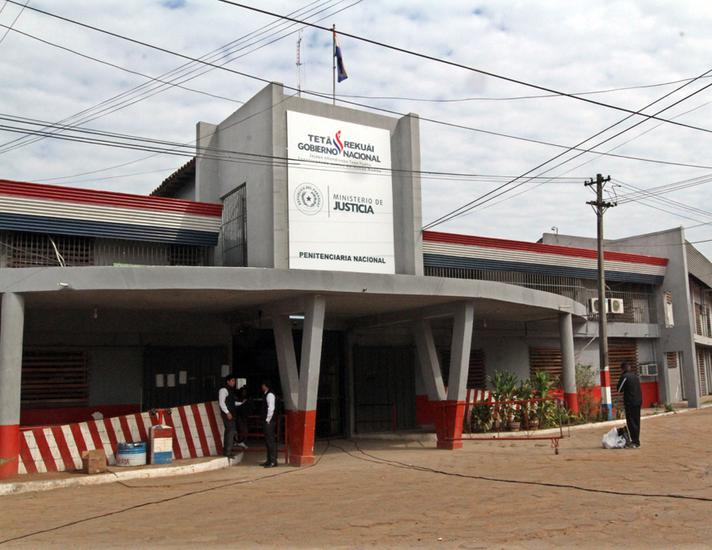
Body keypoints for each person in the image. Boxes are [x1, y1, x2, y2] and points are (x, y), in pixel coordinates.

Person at [617, 361, 642, 448]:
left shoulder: (625, 377)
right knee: (636, 421)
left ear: (622, 369)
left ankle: (635, 442)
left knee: (631, 422)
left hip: (630, 402)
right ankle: (636, 440)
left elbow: (619, 389)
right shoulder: (635, 376)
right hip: (638, 401)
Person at [218, 373, 238, 458]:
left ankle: (227, 450)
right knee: (231, 431)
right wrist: (227, 412)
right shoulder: (223, 390)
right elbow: (222, 402)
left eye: (234, 381)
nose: (234, 382)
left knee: (229, 432)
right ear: (228, 381)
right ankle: (228, 452)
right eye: (232, 380)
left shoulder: (229, 390)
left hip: (230, 413)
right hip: (227, 414)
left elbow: (231, 402)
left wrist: (241, 403)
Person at [261, 380, 277, 468]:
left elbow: (271, 408)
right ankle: (269, 460)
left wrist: (267, 420)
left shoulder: (270, 395)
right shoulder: (267, 394)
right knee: (268, 441)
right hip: (268, 421)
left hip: (269, 421)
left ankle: (273, 461)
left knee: (270, 441)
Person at [234, 385, 249, 450]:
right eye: (243, 391)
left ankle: (241, 441)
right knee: (240, 429)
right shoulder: (239, 399)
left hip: (244, 416)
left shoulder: (247, 399)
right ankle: (239, 441)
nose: (244, 393)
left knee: (243, 429)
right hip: (239, 416)